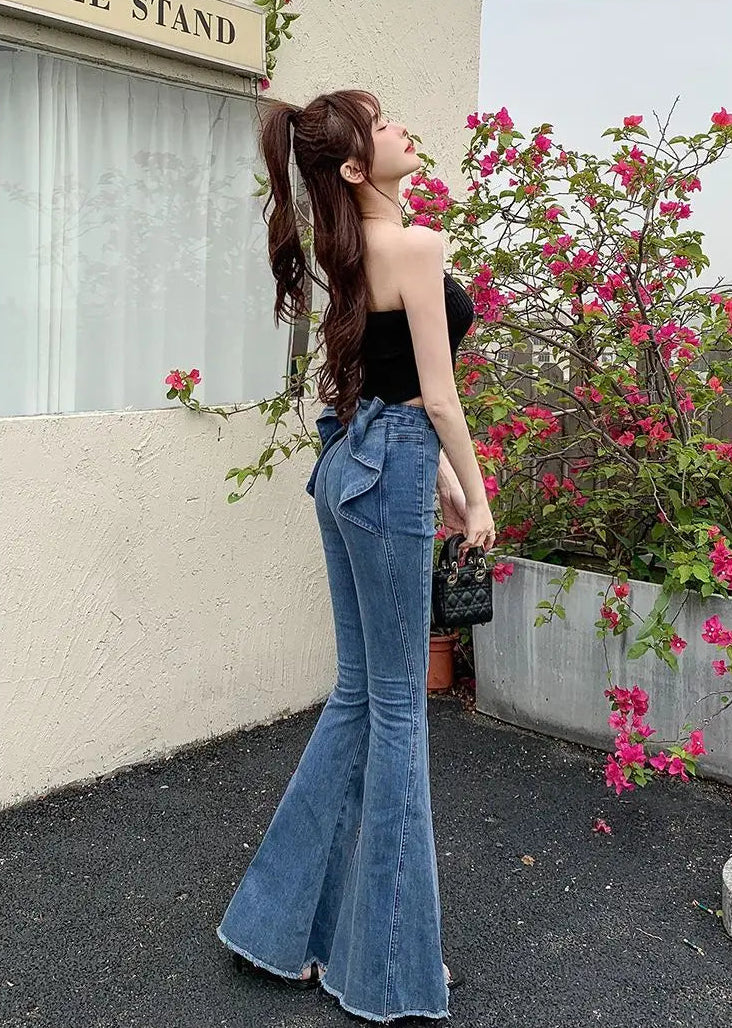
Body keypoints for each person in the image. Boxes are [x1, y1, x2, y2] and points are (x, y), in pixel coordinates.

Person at [216, 88, 496, 1024]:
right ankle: (383, 972)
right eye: (384, 127)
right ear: (352, 167)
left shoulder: (349, 250)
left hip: (352, 460)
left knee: (357, 699)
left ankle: (272, 927)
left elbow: (385, 382)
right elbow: (439, 398)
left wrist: (442, 487)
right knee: (395, 711)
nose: (404, 129)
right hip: (390, 466)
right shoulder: (412, 247)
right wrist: (478, 492)